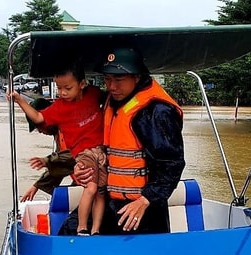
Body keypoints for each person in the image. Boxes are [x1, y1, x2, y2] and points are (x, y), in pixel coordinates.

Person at [72, 47, 185, 234]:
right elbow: (109, 149)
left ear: (137, 77)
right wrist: (84, 165)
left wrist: (145, 200)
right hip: (109, 202)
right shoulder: (113, 101)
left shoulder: (156, 111)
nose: (111, 86)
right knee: (69, 235)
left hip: (144, 209)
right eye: (107, 79)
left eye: (118, 79)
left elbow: (172, 164)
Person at [8, 62, 106, 236]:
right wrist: (19, 100)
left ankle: (95, 229)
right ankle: (83, 228)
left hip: (100, 153)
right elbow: (39, 119)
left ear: (81, 84)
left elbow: (62, 160)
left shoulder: (92, 95)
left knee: (99, 191)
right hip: (86, 158)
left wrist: (45, 164)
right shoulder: (60, 111)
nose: (62, 93)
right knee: (92, 188)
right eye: (59, 88)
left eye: (67, 88)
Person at [20, 98, 75, 202]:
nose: (40, 131)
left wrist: (47, 161)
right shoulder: (58, 134)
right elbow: (60, 164)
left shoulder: (70, 127)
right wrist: (37, 185)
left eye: (39, 125)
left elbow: (74, 156)